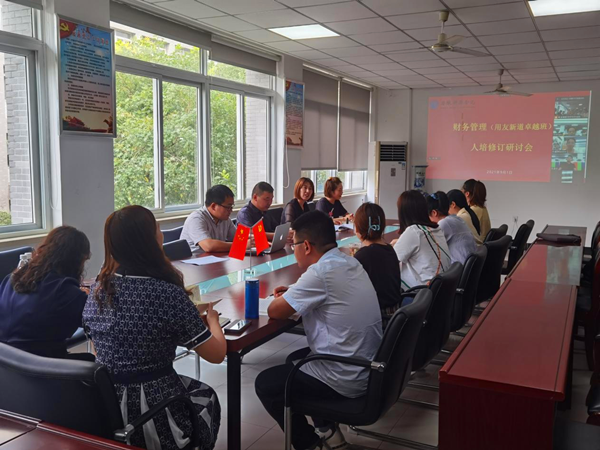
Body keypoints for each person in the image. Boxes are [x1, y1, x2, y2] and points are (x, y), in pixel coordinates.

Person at [83, 206, 225, 450]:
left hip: (103, 404)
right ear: (149, 240)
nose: (162, 234)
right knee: (207, 396)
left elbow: (97, 345)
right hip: (156, 408)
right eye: (158, 229)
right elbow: (217, 354)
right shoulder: (166, 293)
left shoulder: (98, 289)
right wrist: (213, 321)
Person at [255, 211, 382, 450]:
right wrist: (296, 292)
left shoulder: (320, 273)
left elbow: (274, 311)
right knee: (294, 359)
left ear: (306, 246)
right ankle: (329, 432)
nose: (292, 250)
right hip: (369, 367)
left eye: (293, 245)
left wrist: (288, 297)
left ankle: (310, 444)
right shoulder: (349, 261)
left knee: (266, 384)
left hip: (345, 376)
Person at [0, 226, 91, 359]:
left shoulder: (12, 279)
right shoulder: (65, 291)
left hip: (6, 363)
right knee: (98, 366)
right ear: (77, 260)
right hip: (43, 365)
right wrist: (88, 297)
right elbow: (96, 323)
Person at [353, 202, 402, 328]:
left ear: (357, 229)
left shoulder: (363, 256)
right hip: (395, 315)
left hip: (378, 319)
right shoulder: (389, 249)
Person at [392, 190, 451, 290]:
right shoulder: (436, 229)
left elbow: (390, 261)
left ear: (403, 213)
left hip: (421, 295)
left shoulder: (413, 231)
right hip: (441, 291)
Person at [181, 184, 241, 253]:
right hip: (194, 258)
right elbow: (208, 246)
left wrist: (250, 238)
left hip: (216, 257)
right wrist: (239, 245)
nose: (231, 210)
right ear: (213, 206)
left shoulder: (225, 219)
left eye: (232, 207)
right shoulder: (196, 218)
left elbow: (239, 238)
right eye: (228, 207)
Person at [427, 192, 476, 265]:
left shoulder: (444, 223)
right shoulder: (457, 219)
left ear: (434, 213)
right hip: (468, 266)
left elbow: (429, 245)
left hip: (459, 268)